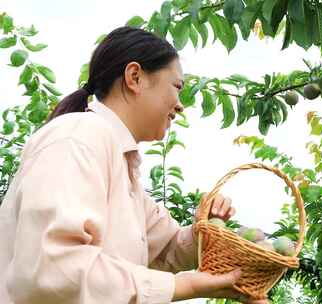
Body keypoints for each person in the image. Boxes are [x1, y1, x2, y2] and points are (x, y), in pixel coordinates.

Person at [0, 26, 269, 303]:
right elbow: (53, 268)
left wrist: (204, 229)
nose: (180, 106)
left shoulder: (124, 168)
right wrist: (183, 287)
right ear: (135, 77)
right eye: (177, 87)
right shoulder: (79, 136)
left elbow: (166, 249)